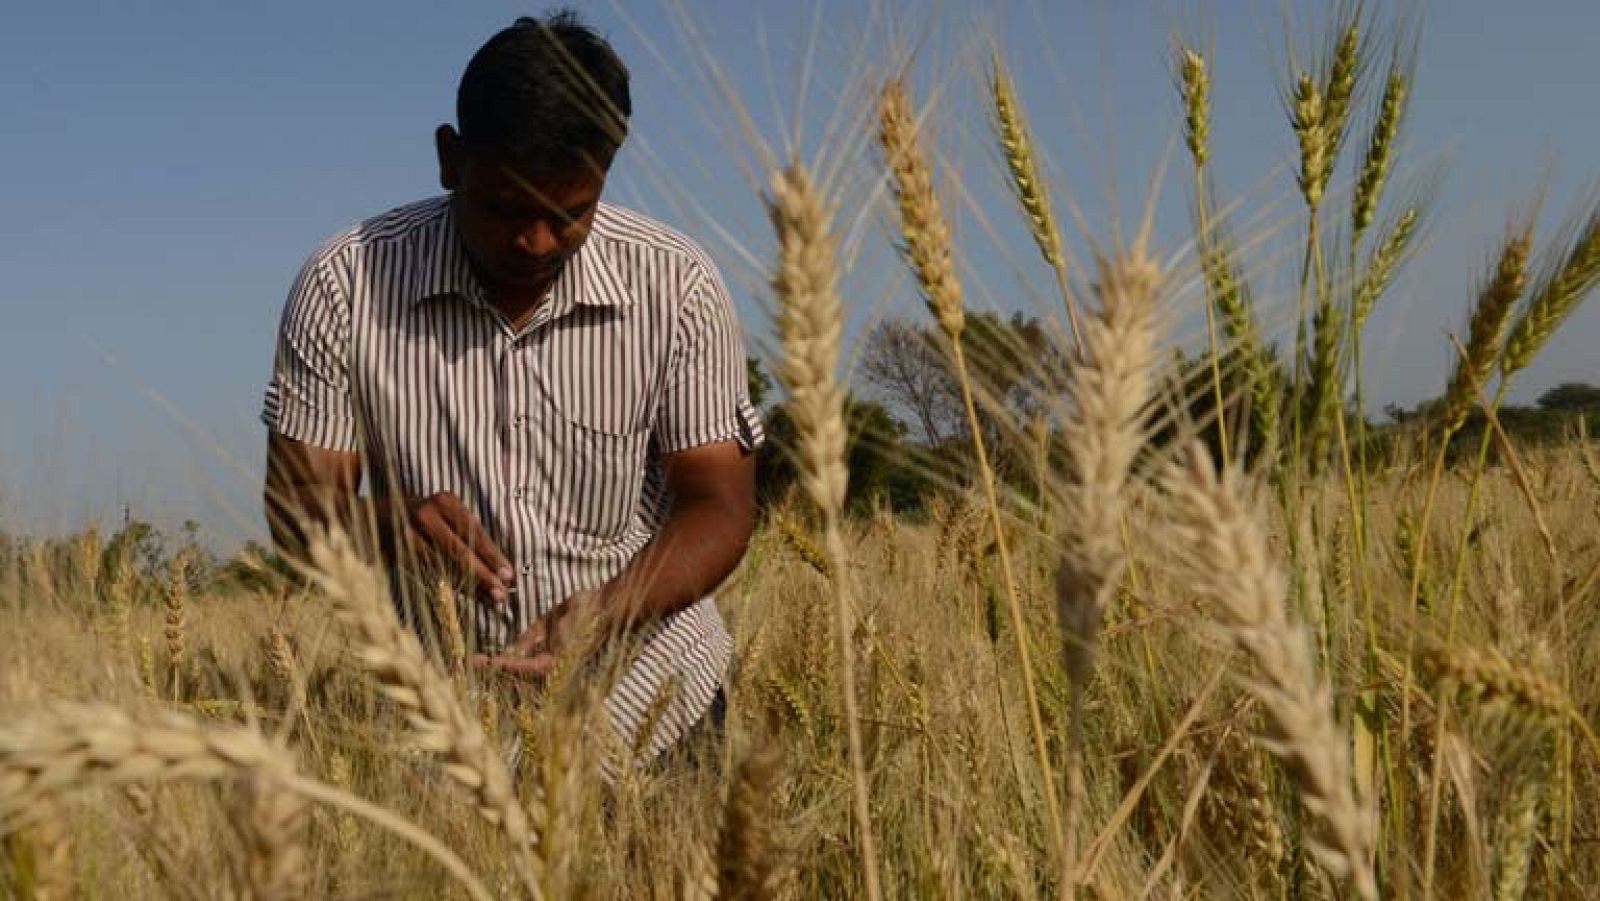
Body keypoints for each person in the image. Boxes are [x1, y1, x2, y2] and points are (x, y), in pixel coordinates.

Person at [261, 10, 762, 767]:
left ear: (605, 174)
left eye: (570, 213)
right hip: (449, 749)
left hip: (659, 715)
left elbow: (719, 505)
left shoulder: (677, 285)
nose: (533, 241)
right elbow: (296, 516)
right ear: (449, 158)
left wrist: (602, 614)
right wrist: (392, 525)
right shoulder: (344, 286)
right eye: (504, 208)